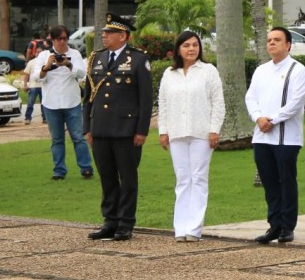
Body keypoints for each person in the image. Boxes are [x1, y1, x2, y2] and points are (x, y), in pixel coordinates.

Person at [83, 16, 152, 240]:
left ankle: (125, 223)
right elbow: (88, 97)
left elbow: (145, 99)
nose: (104, 35)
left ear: (122, 36)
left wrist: (141, 130)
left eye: (109, 33)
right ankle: (110, 221)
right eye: (104, 32)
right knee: (107, 177)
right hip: (100, 129)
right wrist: (87, 127)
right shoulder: (96, 58)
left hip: (126, 131)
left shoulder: (138, 59)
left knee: (128, 178)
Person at [158, 30, 225, 242]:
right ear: (178, 49)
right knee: (183, 179)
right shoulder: (169, 74)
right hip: (177, 132)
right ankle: (180, 228)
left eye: (195, 45)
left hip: (201, 133)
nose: (191, 49)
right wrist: (163, 131)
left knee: (198, 178)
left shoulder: (208, 71)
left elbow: (218, 102)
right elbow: (163, 103)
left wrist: (214, 129)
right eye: (186, 45)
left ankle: (194, 229)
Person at [246, 26, 305, 244]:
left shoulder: (297, 70)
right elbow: (250, 97)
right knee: (269, 182)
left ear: (288, 45)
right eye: (269, 40)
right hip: (261, 136)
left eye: (277, 40)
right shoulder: (261, 70)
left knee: (286, 181)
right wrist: (258, 118)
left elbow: (295, 102)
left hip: (286, 137)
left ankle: (287, 226)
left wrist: (272, 119)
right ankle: (274, 224)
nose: (271, 43)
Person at [34, 25, 93, 180]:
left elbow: (82, 74)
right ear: (52, 39)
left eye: (65, 38)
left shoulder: (74, 54)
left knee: (78, 137)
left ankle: (86, 168)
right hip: (51, 103)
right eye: (59, 39)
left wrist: (68, 64)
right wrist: (46, 66)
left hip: (72, 102)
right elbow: (36, 77)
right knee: (57, 139)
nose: (62, 42)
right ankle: (59, 171)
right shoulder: (44, 55)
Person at [21, 53, 45, 124]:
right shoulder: (31, 62)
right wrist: (25, 85)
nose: (39, 53)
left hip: (43, 86)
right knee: (30, 103)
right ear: (35, 53)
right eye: (37, 52)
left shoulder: (46, 62)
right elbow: (26, 74)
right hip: (33, 86)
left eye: (40, 52)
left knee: (44, 104)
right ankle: (28, 118)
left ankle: (45, 118)